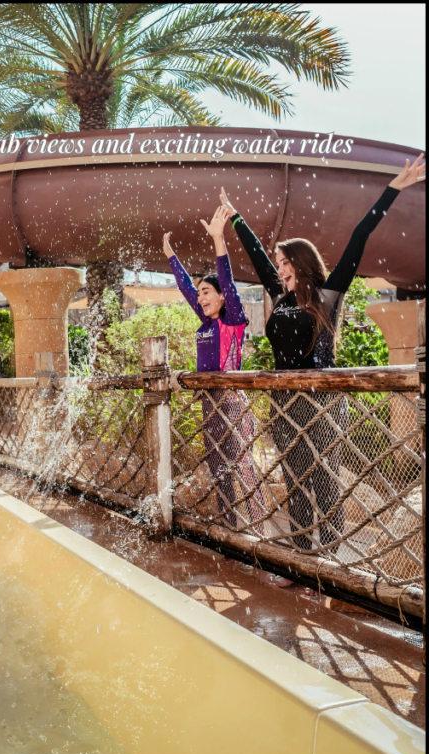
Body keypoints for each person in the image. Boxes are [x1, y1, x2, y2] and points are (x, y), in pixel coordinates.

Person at [220, 153, 425, 552]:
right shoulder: (279, 298)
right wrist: (235, 218)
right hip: (284, 401)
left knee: (326, 480)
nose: (279, 269)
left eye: (284, 263)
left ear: (300, 263)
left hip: (323, 400)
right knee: (295, 480)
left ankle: (329, 561)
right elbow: (257, 256)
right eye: (278, 264)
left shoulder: (327, 296)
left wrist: (393, 190)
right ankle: (302, 556)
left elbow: (358, 239)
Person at [163, 207, 265, 535]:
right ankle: (232, 533)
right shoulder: (206, 320)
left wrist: (219, 239)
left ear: (222, 297)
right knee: (219, 469)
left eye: (206, 291)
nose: (200, 296)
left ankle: (262, 536)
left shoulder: (231, 320)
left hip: (233, 403)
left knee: (244, 469)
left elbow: (228, 280)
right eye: (200, 293)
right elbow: (184, 288)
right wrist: (171, 257)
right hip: (210, 404)